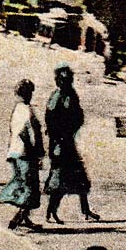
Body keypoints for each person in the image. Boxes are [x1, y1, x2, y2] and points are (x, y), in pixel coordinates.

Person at [42, 65, 98, 223]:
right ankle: (51, 211)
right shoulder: (59, 96)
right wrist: (58, 137)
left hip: (66, 142)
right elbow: (52, 120)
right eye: (65, 79)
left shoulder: (69, 94)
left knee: (79, 177)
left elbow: (78, 115)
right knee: (60, 179)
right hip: (60, 144)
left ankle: (85, 210)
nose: (69, 82)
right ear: (59, 81)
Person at [0, 78, 44, 230]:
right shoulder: (27, 110)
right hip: (26, 153)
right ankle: (17, 219)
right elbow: (30, 134)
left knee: (23, 184)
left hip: (15, 152)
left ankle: (26, 219)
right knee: (31, 188)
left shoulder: (17, 109)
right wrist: (38, 152)